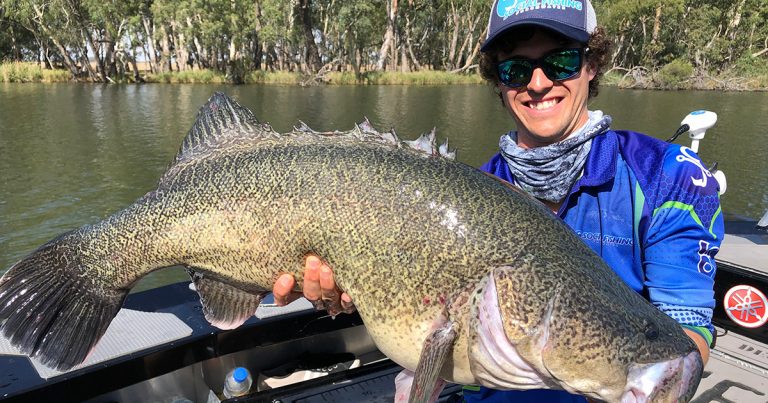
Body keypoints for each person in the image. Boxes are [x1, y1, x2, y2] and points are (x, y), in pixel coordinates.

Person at [272, 0, 724, 401]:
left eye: (561, 61)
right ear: (498, 80)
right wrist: (345, 295)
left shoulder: (669, 175)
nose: (539, 83)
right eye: (515, 69)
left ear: (591, 65)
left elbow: (686, 333)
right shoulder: (474, 188)